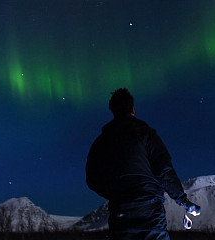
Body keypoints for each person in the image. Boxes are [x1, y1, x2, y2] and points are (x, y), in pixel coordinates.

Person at [86, 88, 200, 240]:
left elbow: (92, 179)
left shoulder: (102, 141)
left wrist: (116, 194)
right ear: (132, 108)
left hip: (121, 212)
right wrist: (184, 202)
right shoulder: (146, 134)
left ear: (113, 110)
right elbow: (164, 171)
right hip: (150, 209)